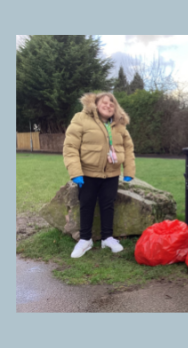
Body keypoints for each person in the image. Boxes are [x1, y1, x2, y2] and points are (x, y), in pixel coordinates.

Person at [63, 92, 137, 258]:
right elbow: (70, 146)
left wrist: (129, 171)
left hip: (111, 174)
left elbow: (128, 148)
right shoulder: (80, 119)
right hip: (87, 173)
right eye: (104, 102)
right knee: (86, 204)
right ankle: (85, 239)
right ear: (95, 104)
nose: (108, 105)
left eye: (112, 103)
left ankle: (107, 237)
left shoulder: (119, 125)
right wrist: (75, 172)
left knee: (108, 204)